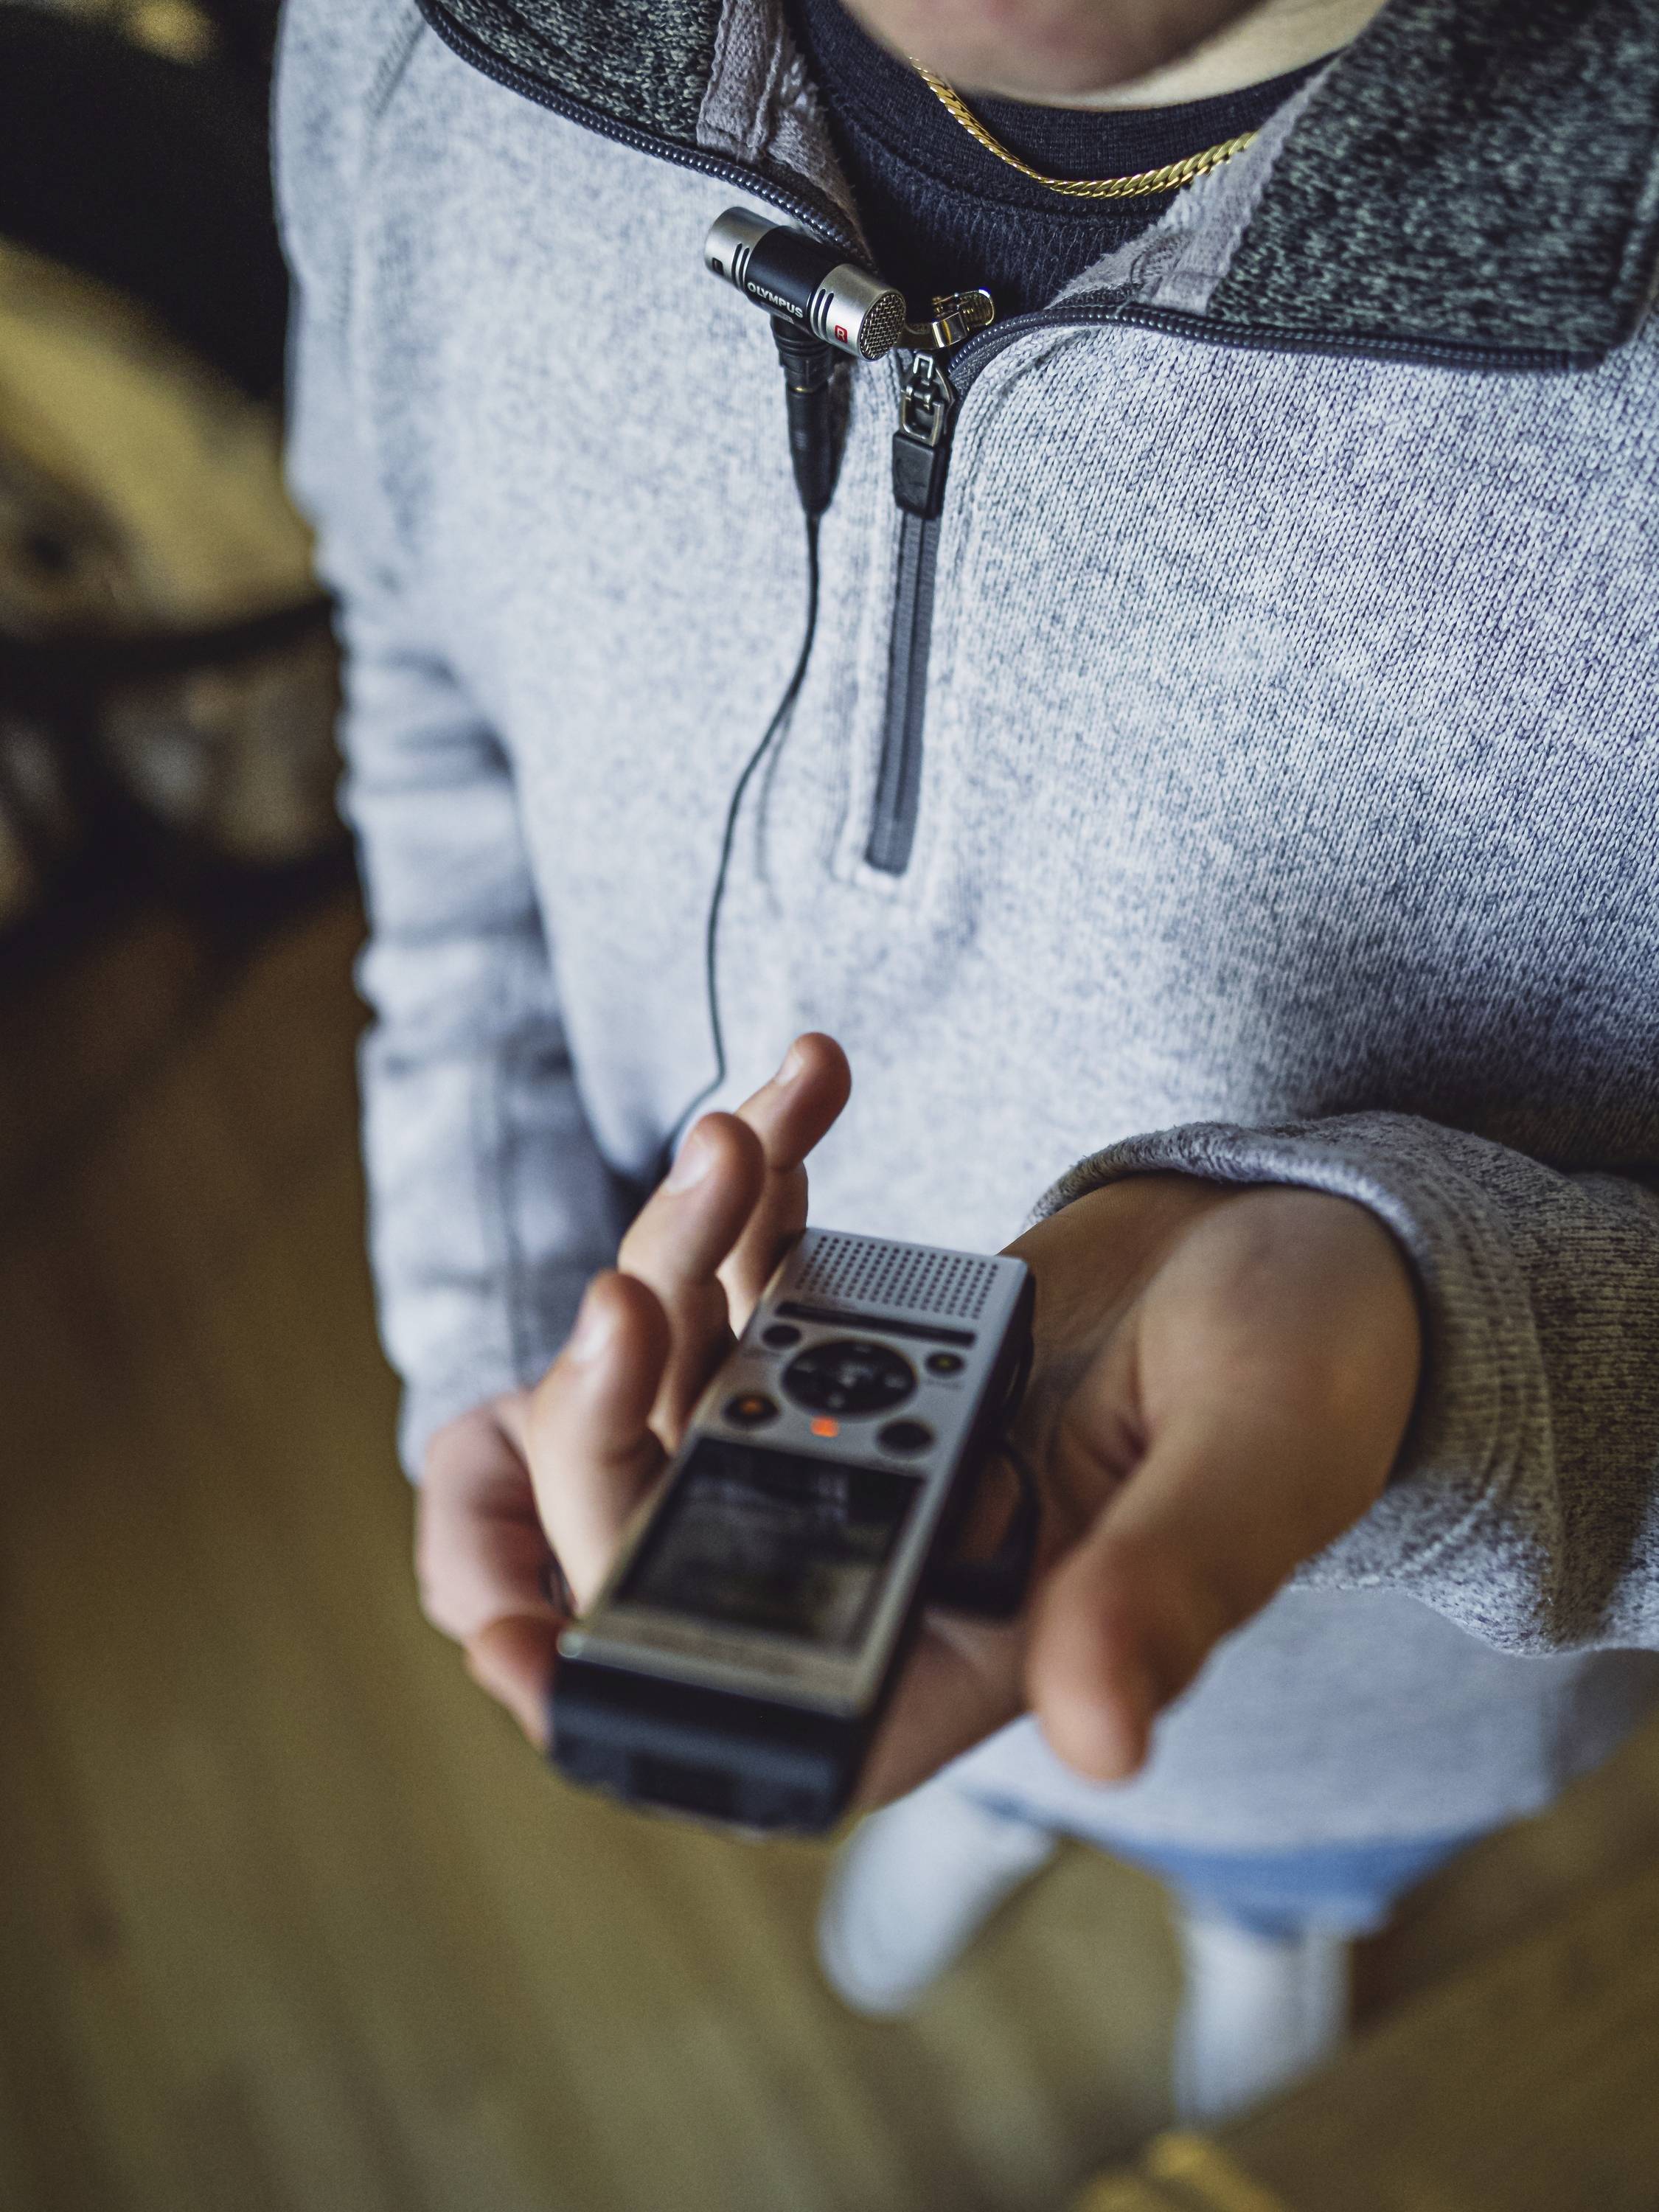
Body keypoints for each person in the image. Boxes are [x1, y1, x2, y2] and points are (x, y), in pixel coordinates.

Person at [275, 0, 1659, 2123]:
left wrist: (1435, 1347)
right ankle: (1006, 1809)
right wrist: (488, 1312)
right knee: (975, 1735)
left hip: (1372, 1704)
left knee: (1241, 1826)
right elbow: (426, 674)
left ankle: (1264, 1921)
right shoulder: (404, 45)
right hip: (758, 1492)